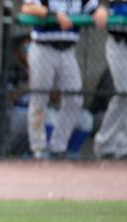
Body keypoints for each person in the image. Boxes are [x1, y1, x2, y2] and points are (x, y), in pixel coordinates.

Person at [21, 0, 107, 159]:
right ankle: (38, 148)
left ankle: (58, 146)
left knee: (74, 98)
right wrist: (53, 14)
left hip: (68, 51)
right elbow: (27, 8)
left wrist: (101, 12)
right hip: (43, 48)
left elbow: (94, 8)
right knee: (39, 98)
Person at [94, 0, 127, 159]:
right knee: (124, 92)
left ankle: (121, 146)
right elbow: (99, 6)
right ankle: (105, 142)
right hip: (118, 43)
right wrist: (102, 7)